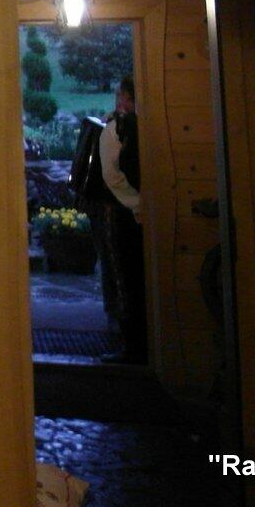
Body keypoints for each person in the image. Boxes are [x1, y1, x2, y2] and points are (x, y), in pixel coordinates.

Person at [99, 76, 147, 365]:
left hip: (124, 211)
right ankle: (136, 345)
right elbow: (114, 176)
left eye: (124, 96)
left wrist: (136, 204)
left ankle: (135, 346)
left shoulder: (117, 129)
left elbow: (112, 176)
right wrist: (141, 205)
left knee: (127, 277)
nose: (121, 102)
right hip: (132, 211)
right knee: (130, 277)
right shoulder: (121, 128)